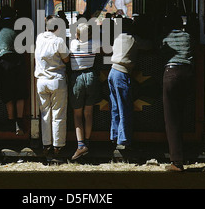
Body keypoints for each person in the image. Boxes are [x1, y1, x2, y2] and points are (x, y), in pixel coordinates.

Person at [108, 18, 151, 151]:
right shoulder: (133, 39)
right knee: (124, 108)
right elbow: (149, 45)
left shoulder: (117, 38)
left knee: (115, 107)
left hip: (112, 72)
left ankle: (114, 136)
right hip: (122, 73)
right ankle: (123, 140)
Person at [161, 14, 193, 172]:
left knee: (171, 119)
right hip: (187, 73)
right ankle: (184, 154)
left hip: (171, 74)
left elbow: (161, 53)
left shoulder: (166, 38)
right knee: (181, 115)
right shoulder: (187, 36)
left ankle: (176, 162)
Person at [34, 15, 70, 159]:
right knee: (58, 114)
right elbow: (66, 59)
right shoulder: (59, 41)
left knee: (45, 114)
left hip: (41, 81)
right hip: (56, 80)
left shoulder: (39, 38)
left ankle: (46, 144)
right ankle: (58, 145)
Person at [69, 23, 101, 160]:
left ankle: (81, 145)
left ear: (77, 34)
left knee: (77, 114)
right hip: (91, 76)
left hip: (77, 78)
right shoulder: (95, 43)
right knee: (88, 113)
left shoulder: (73, 44)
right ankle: (87, 142)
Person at [0, 6, 28, 135]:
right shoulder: (20, 24)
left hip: (5, 62)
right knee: (20, 91)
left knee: (7, 92)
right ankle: (20, 121)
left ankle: (11, 120)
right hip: (19, 60)